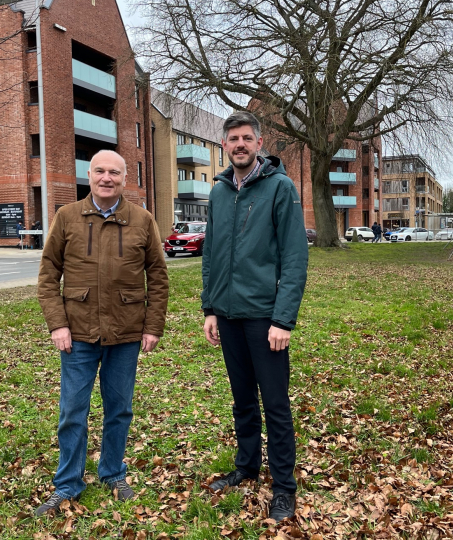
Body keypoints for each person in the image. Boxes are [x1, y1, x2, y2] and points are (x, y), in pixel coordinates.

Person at [35, 150, 169, 516]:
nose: (106, 178)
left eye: (114, 172)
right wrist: (58, 324)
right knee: (73, 410)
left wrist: (152, 326)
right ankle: (67, 484)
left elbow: (157, 277)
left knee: (119, 410)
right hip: (76, 334)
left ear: (125, 179)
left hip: (126, 333)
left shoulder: (142, 220)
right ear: (89, 175)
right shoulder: (67, 217)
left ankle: (113, 473)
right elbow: (48, 276)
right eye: (100, 171)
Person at [201, 112, 308, 522]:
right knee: (242, 399)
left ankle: (284, 486)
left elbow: (295, 259)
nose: (240, 144)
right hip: (227, 315)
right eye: (233, 139)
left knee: (276, 404)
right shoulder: (220, 191)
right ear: (224, 145)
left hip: (265, 318)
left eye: (247, 138)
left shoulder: (280, 188)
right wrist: (209, 307)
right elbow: (211, 255)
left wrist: (283, 319)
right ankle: (246, 466)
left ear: (259, 143)